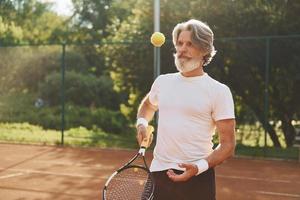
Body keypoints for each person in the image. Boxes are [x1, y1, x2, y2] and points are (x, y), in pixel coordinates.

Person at [136, 19, 236, 200]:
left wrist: (198, 167)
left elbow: (228, 145)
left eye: (190, 44)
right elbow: (148, 105)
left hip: (198, 179)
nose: (182, 49)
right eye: (180, 43)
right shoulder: (163, 82)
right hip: (159, 173)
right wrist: (142, 123)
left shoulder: (219, 91)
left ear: (204, 50)